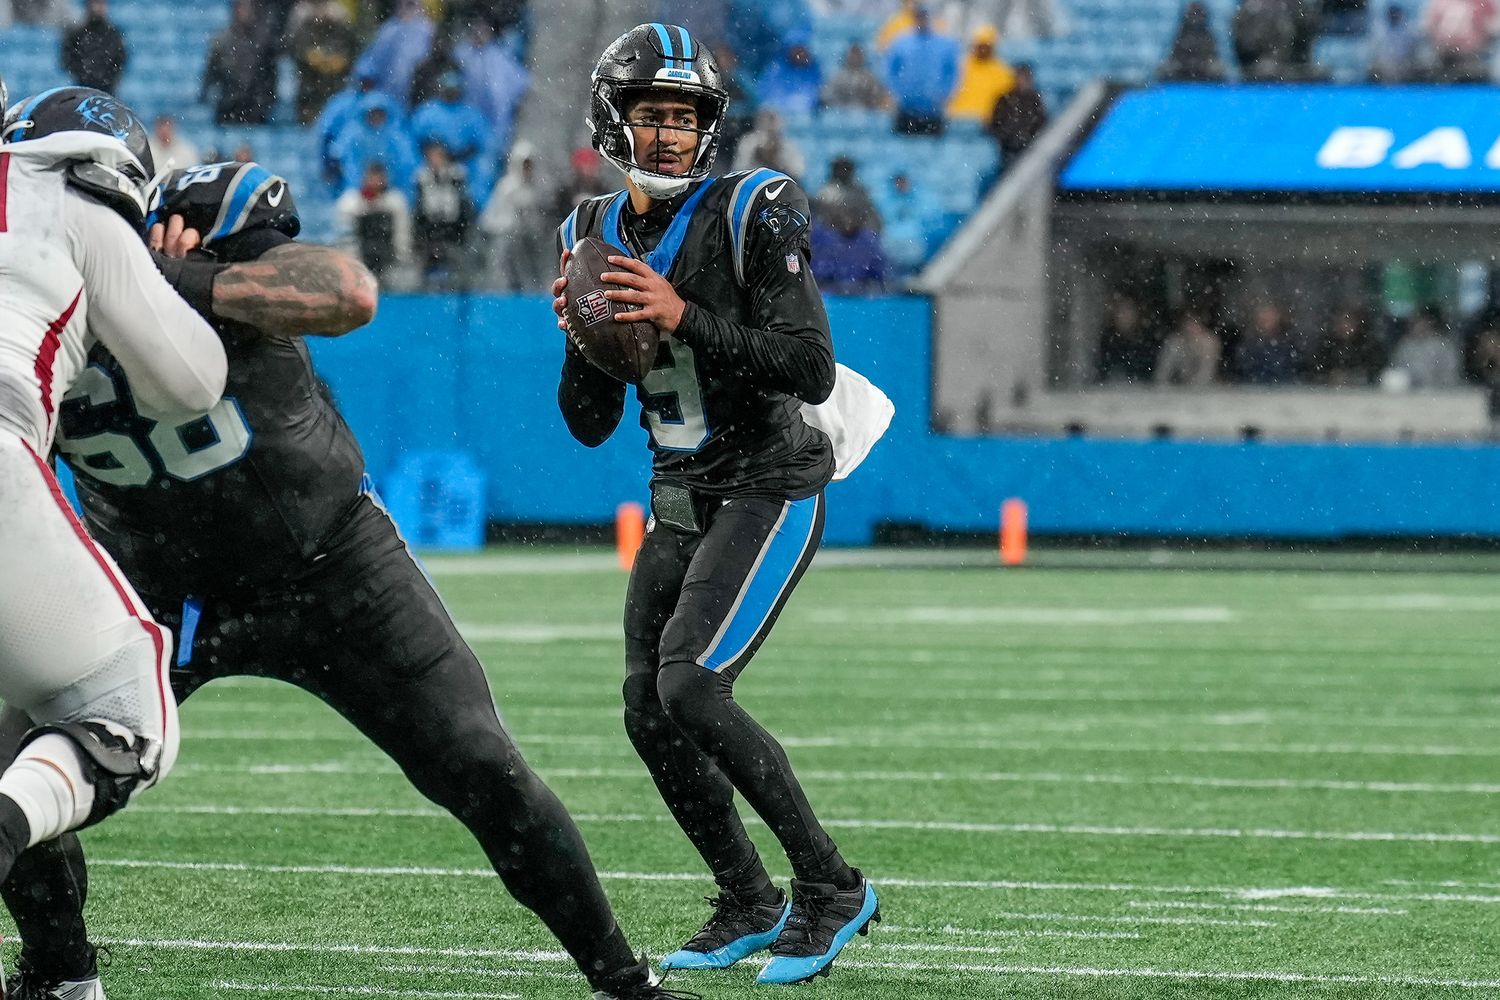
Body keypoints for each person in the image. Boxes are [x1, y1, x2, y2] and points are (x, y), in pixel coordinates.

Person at [6, 158, 697, 1000]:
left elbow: (346, 292)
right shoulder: (22, 294)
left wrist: (165, 278)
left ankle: (623, 982)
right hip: (153, 591)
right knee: (14, 769)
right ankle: (59, 976)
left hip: (331, 567)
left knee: (482, 766)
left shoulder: (193, 223)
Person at [552, 23, 881, 987]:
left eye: (685, 116)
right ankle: (747, 896)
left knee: (691, 684)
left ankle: (832, 888)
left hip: (768, 482)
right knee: (646, 709)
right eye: (652, 114)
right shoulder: (585, 231)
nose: (670, 134)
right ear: (613, 119)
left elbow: (809, 367)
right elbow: (586, 425)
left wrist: (681, 315)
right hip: (679, 494)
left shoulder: (753, 207)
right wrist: (581, 340)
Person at [0, 86, 227, 984]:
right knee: (132, 710)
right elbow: (190, 382)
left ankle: (62, 972)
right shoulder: (68, 198)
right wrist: (160, 276)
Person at [885, 4, 960, 135]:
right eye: (919, 17)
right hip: (906, 109)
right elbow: (890, 71)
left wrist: (944, 93)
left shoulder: (945, 45)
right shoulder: (901, 43)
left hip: (933, 110)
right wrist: (898, 92)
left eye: (924, 16)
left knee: (933, 145)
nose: (922, 20)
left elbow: (952, 73)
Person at [202, 0, 277, 125]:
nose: (244, 13)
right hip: (228, 106)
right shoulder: (221, 41)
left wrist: (267, 101)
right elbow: (210, 74)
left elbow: (271, 74)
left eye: (248, 9)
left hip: (255, 108)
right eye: (241, 9)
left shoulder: (263, 42)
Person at [947, 25, 1015, 124]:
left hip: (987, 123)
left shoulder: (1003, 72)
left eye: (986, 46)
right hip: (957, 119)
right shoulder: (961, 66)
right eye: (980, 46)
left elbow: (1006, 100)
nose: (983, 50)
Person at [60, 0, 126, 93]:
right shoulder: (77, 33)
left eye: (101, 3)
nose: (97, 7)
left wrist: (106, 77)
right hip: (83, 87)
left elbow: (120, 60)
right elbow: (67, 60)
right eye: (95, 3)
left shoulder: (113, 34)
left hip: (108, 89)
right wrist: (85, 74)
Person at [988, 62, 1046, 166]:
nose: (1022, 81)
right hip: (1008, 147)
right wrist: (1005, 136)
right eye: (1020, 77)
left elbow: (1041, 123)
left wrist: (1028, 137)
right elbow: (995, 122)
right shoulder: (1005, 98)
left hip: (1028, 147)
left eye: (1025, 77)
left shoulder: (1035, 99)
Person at [1157, 1, 1228, 81]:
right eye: (1192, 14)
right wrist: (1185, 63)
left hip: (1203, 66)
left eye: (1198, 14)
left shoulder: (1207, 34)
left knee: (1217, 69)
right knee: (1163, 69)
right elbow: (1174, 54)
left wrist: (1202, 63)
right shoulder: (1181, 32)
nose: (1195, 18)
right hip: (1183, 66)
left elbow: (1212, 55)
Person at [1155, 311, 1222, 385]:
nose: (1190, 330)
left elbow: (1206, 370)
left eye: (1194, 325)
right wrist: (1161, 383)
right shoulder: (1174, 342)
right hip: (1179, 381)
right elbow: (1163, 369)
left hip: (1209, 384)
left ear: (1200, 327)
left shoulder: (1208, 343)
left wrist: (1197, 384)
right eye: (1187, 326)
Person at [820, 42, 890, 110]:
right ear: (847, 56)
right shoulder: (837, 77)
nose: (855, 57)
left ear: (862, 57)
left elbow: (879, 96)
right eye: (853, 54)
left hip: (864, 112)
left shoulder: (870, 77)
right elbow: (826, 96)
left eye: (857, 54)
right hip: (841, 111)